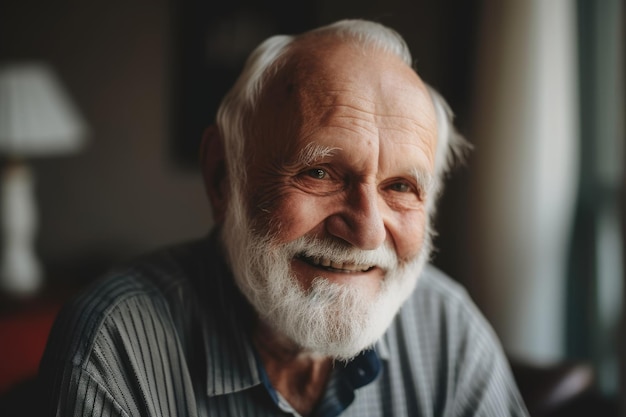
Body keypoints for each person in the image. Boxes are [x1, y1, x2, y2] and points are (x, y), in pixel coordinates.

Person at [39, 19, 529, 416]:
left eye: (400, 186)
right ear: (222, 177)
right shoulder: (115, 344)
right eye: (319, 172)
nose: (366, 231)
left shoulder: (450, 330)